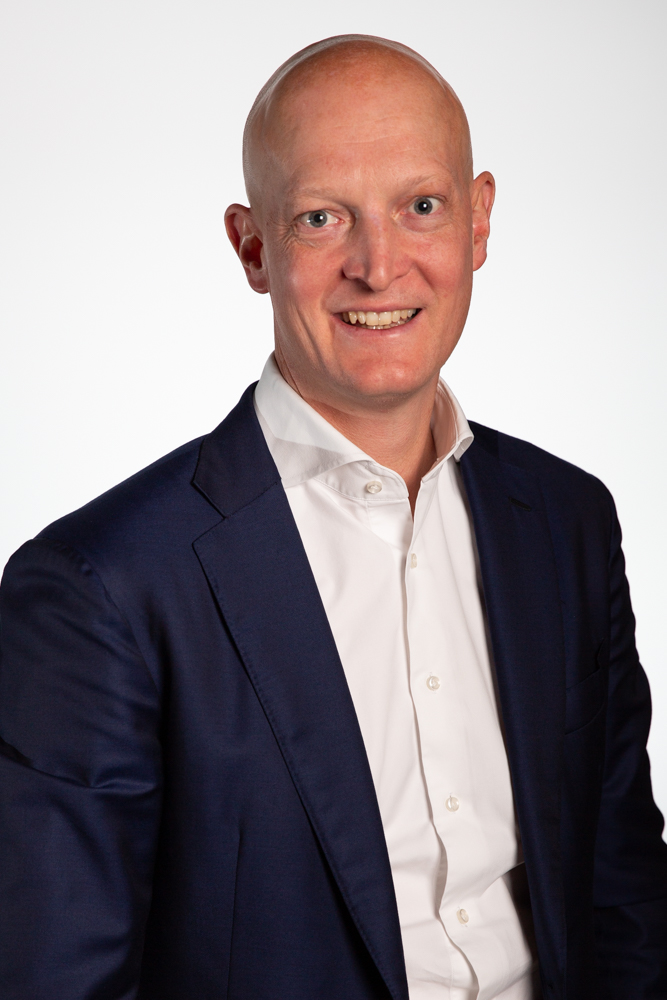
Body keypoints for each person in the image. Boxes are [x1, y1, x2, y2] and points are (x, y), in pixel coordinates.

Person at [0, 33, 665, 1000]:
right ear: (253, 247)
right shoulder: (100, 589)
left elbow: (623, 895)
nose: (379, 266)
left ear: (478, 220)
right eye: (321, 218)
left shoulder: (567, 521)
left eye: (421, 207)